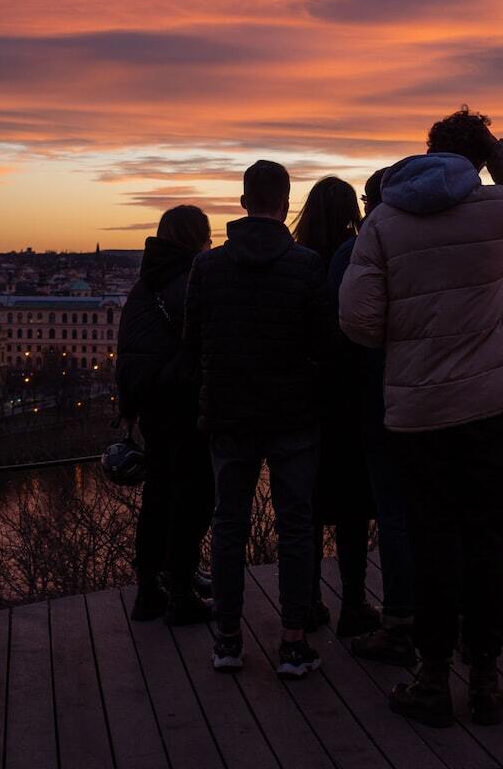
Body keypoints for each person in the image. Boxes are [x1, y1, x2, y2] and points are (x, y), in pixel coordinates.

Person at [340, 107, 503, 728]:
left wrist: (407, 341)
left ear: (426, 150)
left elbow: (358, 320)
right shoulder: (499, 212)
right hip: (492, 406)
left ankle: (432, 675)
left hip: (421, 408)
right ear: (479, 156)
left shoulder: (382, 222)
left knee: (432, 539)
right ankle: (485, 678)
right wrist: (499, 148)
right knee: (487, 538)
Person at [189, 160, 329, 678]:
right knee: (295, 525)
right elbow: (323, 344)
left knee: (229, 524)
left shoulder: (208, 267)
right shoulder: (308, 265)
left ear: (244, 202)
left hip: (229, 411)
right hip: (293, 413)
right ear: (285, 203)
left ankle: (228, 638)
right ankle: (293, 641)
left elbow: (193, 341)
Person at [332, 169, 419, 668]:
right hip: (432, 395)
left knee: (391, 513)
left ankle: (401, 618)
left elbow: (343, 331)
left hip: (373, 398)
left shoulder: (354, 254)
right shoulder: (431, 249)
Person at [115, 205, 215, 626]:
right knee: (193, 497)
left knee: (157, 495)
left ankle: (149, 590)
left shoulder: (145, 282)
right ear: (198, 237)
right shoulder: (193, 278)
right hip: (183, 400)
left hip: (150, 402)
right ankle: (181, 592)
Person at [293, 175, 379, 638]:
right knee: (350, 510)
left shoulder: (297, 260)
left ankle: (307, 602)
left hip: (306, 399)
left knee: (305, 508)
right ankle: (354, 602)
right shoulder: (360, 255)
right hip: (351, 398)